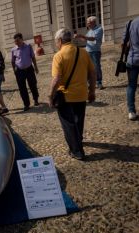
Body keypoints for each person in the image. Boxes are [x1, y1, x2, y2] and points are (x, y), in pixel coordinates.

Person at [48, 29, 96, 160]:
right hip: (81, 94)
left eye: (56, 42)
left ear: (59, 41)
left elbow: (56, 79)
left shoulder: (59, 56)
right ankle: (78, 140)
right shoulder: (83, 52)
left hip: (66, 96)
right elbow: (92, 73)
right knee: (78, 121)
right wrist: (92, 91)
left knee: (68, 124)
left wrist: (50, 96)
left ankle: (77, 151)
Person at [11, 33, 40, 111]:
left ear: (21, 39)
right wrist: (14, 71)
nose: (16, 42)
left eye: (17, 40)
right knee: (22, 88)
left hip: (29, 69)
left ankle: (36, 99)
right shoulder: (13, 50)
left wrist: (36, 67)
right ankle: (26, 104)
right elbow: (13, 61)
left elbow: (33, 57)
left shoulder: (28, 46)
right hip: (19, 71)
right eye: (15, 41)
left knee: (33, 85)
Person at [75, 16, 104, 90]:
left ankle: (99, 82)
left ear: (94, 22)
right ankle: (90, 83)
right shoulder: (89, 31)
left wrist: (83, 36)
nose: (88, 25)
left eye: (89, 23)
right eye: (87, 23)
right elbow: (85, 40)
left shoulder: (99, 29)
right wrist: (78, 37)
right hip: (88, 51)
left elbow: (93, 38)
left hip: (95, 51)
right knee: (88, 68)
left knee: (97, 67)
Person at [122, 16, 139, 121]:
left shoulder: (130, 23)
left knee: (131, 86)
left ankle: (131, 111)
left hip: (132, 59)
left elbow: (123, 43)